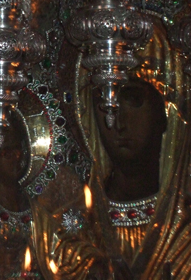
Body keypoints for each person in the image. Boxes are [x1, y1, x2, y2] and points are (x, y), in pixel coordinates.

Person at [32, 18, 191, 279]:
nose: (116, 120)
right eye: (103, 101)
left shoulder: (185, 235)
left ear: (165, 111)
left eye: (133, 99)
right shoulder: (65, 240)